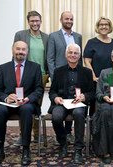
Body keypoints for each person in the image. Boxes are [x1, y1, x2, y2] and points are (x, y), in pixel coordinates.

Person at [0, 41, 43, 165]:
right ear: (13, 50)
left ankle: (26, 149)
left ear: (27, 52)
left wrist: (29, 98)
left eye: (23, 49)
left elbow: (39, 89)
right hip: (8, 104)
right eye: (18, 49)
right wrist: (5, 98)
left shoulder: (35, 67)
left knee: (26, 110)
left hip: (27, 103)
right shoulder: (3, 68)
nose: (20, 52)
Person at [48, 44, 94, 164]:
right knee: (56, 117)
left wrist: (85, 96)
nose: (73, 55)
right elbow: (52, 91)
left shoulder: (87, 72)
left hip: (78, 104)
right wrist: (55, 98)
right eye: (70, 53)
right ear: (66, 54)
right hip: (62, 103)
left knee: (79, 115)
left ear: (79, 56)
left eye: (75, 53)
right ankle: (63, 143)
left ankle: (78, 149)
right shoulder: (58, 71)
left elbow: (92, 92)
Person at [13, 10, 49, 146]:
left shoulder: (46, 37)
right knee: (22, 103)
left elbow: (49, 56)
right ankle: (23, 135)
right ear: (28, 22)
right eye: (32, 21)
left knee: (35, 105)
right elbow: (15, 53)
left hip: (42, 75)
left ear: (40, 21)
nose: (35, 23)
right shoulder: (20, 35)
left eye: (37, 21)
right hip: (23, 74)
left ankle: (36, 133)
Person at [47, 11, 82, 144]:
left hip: (75, 75)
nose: (69, 21)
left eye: (71, 19)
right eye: (66, 19)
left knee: (73, 101)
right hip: (60, 76)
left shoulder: (78, 36)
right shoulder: (53, 36)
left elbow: (80, 57)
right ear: (61, 20)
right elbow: (50, 58)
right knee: (60, 106)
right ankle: (61, 136)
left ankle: (68, 133)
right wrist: (54, 76)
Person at [84, 16, 113, 115]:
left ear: (109, 27)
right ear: (98, 27)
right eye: (101, 25)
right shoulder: (91, 42)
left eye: (106, 24)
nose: (104, 27)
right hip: (96, 80)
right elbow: (87, 61)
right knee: (95, 106)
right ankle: (93, 128)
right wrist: (94, 77)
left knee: (110, 105)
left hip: (111, 80)